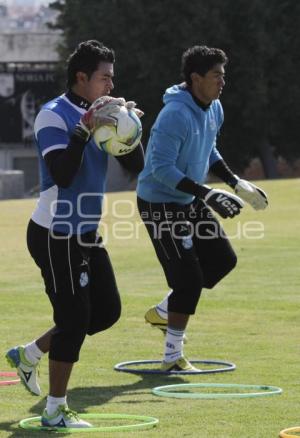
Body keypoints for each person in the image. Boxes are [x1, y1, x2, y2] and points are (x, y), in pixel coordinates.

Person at [6, 40, 144, 428]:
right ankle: (54, 413)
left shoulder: (103, 111)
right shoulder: (53, 115)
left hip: (84, 230)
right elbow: (63, 176)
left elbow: (136, 165)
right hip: (55, 233)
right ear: (81, 78)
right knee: (73, 319)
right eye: (105, 78)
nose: (111, 86)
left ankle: (30, 354)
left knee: (106, 311)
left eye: (112, 79)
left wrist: (130, 127)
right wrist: (85, 130)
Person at [137, 45, 268, 372]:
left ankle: (167, 309)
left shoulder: (214, 108)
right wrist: (207, 194)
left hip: (187, 199)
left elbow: (208, 148)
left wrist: (236, 183)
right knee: (188, 279)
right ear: (196, 79)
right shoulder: (174, 115)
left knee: (223, 260)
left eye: (223, 75)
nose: (222, 82)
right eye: (216, 76)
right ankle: (172, 357)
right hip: (159, 203)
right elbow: (160, 169)